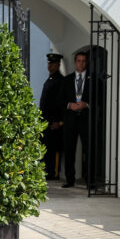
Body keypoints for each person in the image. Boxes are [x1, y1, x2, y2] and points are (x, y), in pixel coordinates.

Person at [62, 51, 91, 188]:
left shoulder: (93, 79)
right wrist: (69, 105)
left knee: (88, 149)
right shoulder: (66, 80)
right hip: (70, 119)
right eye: (79, 61)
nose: (81, 63)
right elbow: (59, 100)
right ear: (75, 62)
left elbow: (99, 99)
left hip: (85, 119)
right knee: (69, 150)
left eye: (84, 61)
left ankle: (90, 180)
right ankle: (70, 179)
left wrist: (86, 104)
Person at [39, 53, 65, 181]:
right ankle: (48, 170)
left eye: (53, 63)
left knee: (54, 148)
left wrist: (59, 121)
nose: (51, 65)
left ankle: (54, 172)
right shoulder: (50, 79)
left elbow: (60, 102)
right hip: (47, 120)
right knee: (47, 147)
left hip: (54, 122)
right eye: (49, 63)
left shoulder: (60, 80)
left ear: (58, 65)